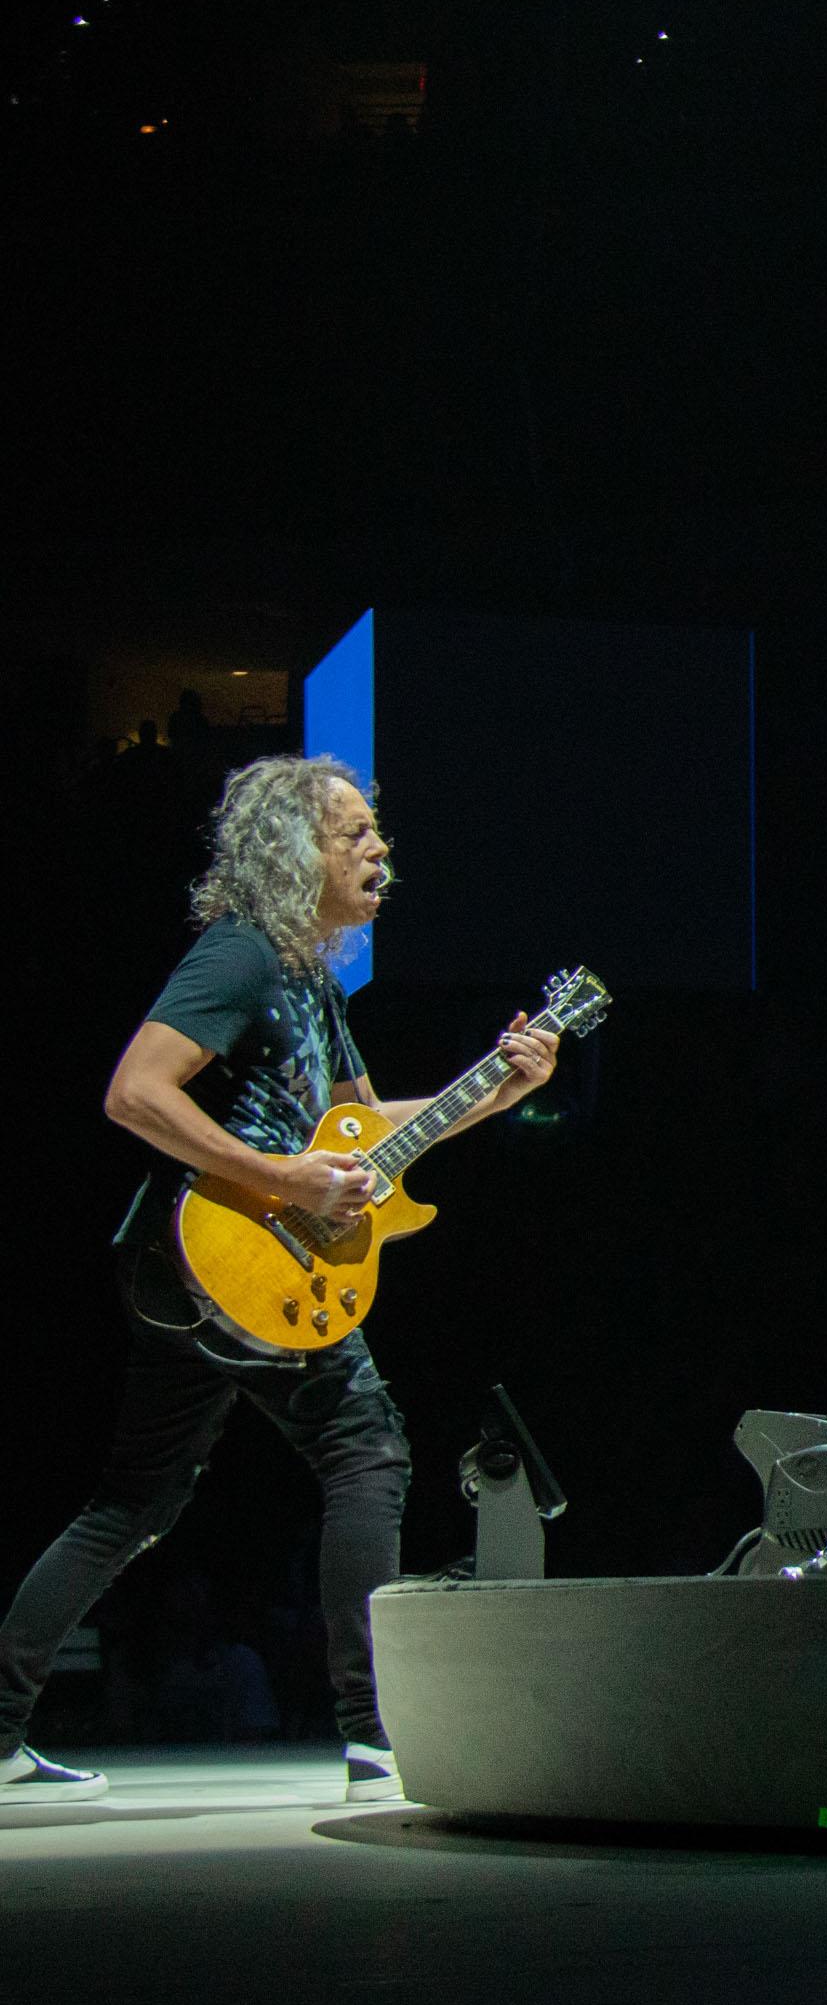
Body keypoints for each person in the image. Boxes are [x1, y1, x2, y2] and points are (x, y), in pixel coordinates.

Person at [0, 756, 560, 1807]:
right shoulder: (242, 954)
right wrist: (283, 1179)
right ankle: (370, 1737)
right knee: (366, 1449)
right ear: (296, 852)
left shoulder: (310, 981)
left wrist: (492, 1091)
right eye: (356, 834)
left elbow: (365, 1132)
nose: (380, 849)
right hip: (234, 1250)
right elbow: (135, 1092)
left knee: (134, 1500)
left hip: (219, 1271)